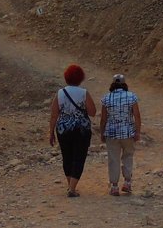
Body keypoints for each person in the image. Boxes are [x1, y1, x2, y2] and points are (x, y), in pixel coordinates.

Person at [48, 63, 97, 197]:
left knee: (67, 156)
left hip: (63, 129)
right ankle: (72, 188)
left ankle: (70, 185)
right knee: (79, 157)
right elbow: (92, 112)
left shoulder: (60, 93)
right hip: (81, 129)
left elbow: (54, 114)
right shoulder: (83, 93)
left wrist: (51, 132)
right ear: (81, 78)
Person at [99, 73, 141, 196]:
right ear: (124, 84)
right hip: (128, 132)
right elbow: (137, 116)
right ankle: (127, 182)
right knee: (128, 156)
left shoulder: (106, 98)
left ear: (112, 84)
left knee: (113, 159)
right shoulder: (131, 96)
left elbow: (103, 119)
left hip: (111, 133)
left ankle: (114, 186)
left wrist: (102, 133)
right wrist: (137, 131)